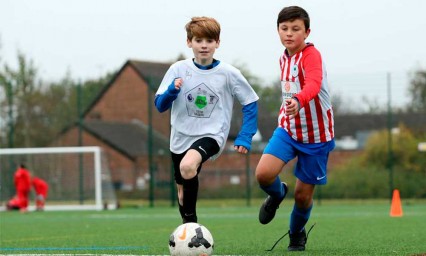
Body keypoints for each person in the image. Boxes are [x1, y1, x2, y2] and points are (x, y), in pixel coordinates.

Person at [155, 16, 259, 224]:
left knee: (187, 166)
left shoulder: (229, 73)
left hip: (212, 135)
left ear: (217, 43)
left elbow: (251, 102)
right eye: (199, 40)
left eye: (209, 41)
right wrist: (171, 92)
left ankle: (192, 229)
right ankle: (188, 228)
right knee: (183, 194)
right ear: (189, 42)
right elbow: (160, 106)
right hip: (180, 136)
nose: (204, 46)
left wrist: (245, 136)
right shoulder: (178, 70)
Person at [255, 6, 335, 252]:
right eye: (284, 28)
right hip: (288, 130)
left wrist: (299, 100)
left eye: (295, 29)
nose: (289, 33)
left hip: (316, 138)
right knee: (263, 174)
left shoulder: (311, 55)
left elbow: (313, 83)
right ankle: (277, 194)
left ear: (307, 32)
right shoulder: (283, 57)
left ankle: (297, 233)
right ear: (278, 30)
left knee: (302, 196)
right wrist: (291, 106)